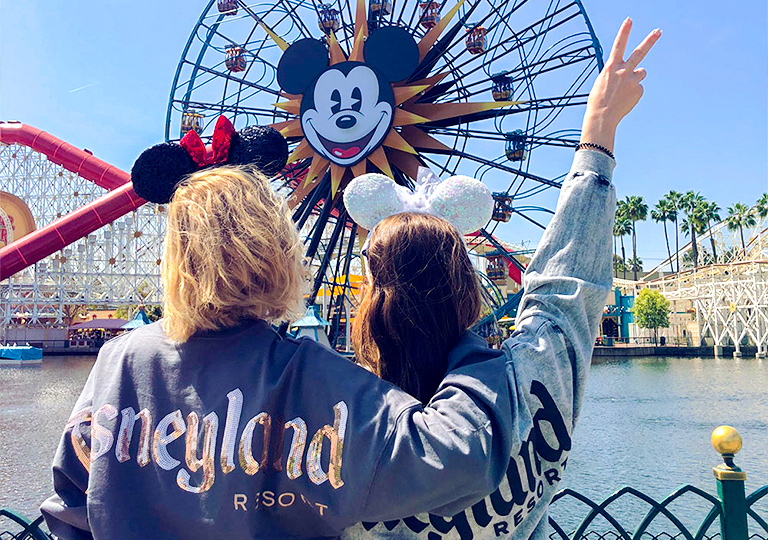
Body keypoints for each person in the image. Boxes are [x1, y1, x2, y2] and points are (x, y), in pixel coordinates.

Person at [40, 146, 514, 538]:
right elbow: (458, 457)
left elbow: (70, 510)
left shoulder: (117, 362)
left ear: (175, 255)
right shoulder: (311, 375)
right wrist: (470, 349)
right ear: (278, 248)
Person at [343, 19, 660, 540]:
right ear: (467, 291)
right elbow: (565, 290)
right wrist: (599, 131)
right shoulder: (531, 381)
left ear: (370, 301)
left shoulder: (331, 433)